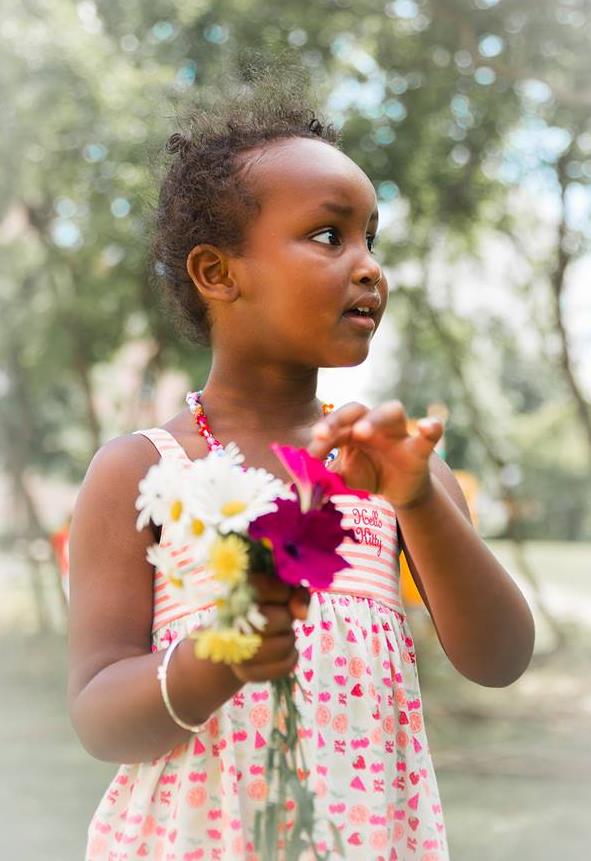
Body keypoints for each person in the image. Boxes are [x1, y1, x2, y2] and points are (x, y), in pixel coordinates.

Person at [67, 61, 535, 861]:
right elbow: (99, 713)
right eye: (328, 235)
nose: (367, 265)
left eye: (370, 238)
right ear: (217, 273)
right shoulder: (140, 471)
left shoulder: (397, 472)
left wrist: (419, 502)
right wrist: (216, 657)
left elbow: (498, 657)